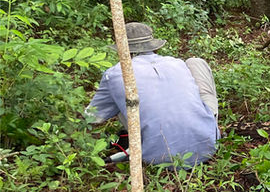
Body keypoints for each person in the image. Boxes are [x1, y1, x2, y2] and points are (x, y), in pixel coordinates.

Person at [86, 22, 219, 168]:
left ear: (122, 49)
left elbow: (92, 117)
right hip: (208, 146)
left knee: (120, 98)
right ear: (153, 46)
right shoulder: (177, 63)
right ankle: (205, 126)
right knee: (195, 62)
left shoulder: (115, 74)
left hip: (158, 158)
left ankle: (147, 137)